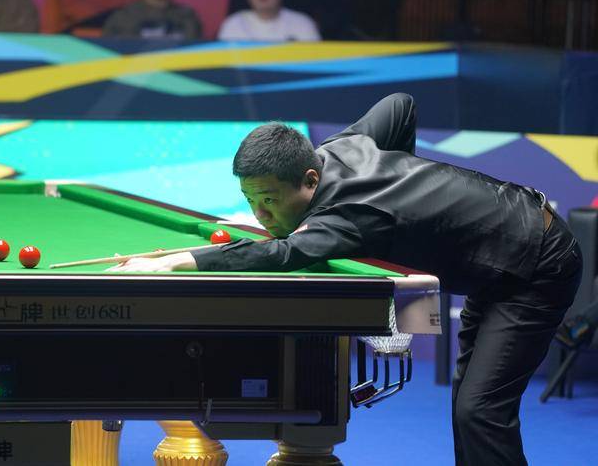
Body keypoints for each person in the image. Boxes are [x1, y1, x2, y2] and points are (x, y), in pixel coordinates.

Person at [110, 93, 584, 466]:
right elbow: (400, 105)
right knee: (470, 403)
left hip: (536, 264)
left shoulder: (350, 217)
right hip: (497, 259)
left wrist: (182, 261)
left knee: (479, 410)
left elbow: (283, 254)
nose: (260, 215)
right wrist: (403, 184)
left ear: (310, 180)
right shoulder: (344, 147)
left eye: (270, 200)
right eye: (251, 200)